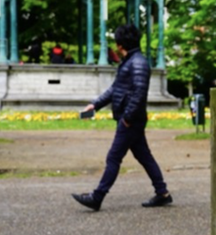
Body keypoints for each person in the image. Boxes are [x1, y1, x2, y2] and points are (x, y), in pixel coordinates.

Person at [72, 24, 172, 211]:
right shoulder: (130, 61)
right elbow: (115, 90)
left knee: (114, 157)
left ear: (119, 44)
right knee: (144, 156)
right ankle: (162, 193)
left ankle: (97, 197)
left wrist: (127, 118)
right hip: (131, 119)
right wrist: (94, 106)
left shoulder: (138, 63)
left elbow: (139, 93)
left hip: (131, 120)